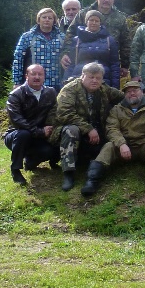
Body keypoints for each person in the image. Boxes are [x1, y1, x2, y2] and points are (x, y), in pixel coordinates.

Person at [48, 62, 125, 193]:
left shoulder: (103, 89)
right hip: (66, 129)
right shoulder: (69, 89)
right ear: (83, 76)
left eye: (98, 78)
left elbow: (123, 96)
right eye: (91, 77)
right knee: (72, 130)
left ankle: (93, 164)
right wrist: (89, 129)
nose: (95, 81)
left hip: (95, 129)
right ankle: (68, 173)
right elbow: (65, 114)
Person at [87, 80, 145, 195]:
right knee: (108, 146)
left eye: (135, 90)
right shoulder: (116, 110)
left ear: (142, 92)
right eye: (128, 91)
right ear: (124, 94)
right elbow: (111, 128)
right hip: (124, 147)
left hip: (144, 146)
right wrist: (121, 144)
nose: (132, 93)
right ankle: (92, 180)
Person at [4, 64, 58, 184]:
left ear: (44, 77)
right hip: (16, 135)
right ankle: (15, 170)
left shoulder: (51, 92)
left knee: (49, 151)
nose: (37, 77)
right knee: (24, 134)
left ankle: (30, 162)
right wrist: (40, 131)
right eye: (33, 74)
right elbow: (17, 121)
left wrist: (49, 128)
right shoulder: (16, 95)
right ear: (26, 76)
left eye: (40, 74)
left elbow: (55, 113)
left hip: (39, 136)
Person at [62, 0, 132, 72]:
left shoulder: (120, 18)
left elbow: (125, 42)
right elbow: (71, 33)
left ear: (114, 0)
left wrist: (125, 65)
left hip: (109, 63)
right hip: (84, 62)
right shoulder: (83, 14)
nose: (107, 0)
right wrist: (65, 53)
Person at [63, 9, 120, 88]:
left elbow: (115, 65)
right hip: (79, 80)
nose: (94, 23)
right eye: (91, 20)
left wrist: (115, 86)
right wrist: (66, 83)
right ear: (86, 22)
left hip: (103, 81)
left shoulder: (109, 40)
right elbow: (71, 64)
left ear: (100, 23)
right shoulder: (77, 40)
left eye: (97, 21)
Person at [13, 7, 65, 91]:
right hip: (33, 84)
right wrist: (17, 82)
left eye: (50, 18)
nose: (47, 20)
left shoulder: (62, 37)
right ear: (38, 20)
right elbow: (18, 60)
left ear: (54, 21)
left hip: (57, 84)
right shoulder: (27, 37)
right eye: (44, 17)